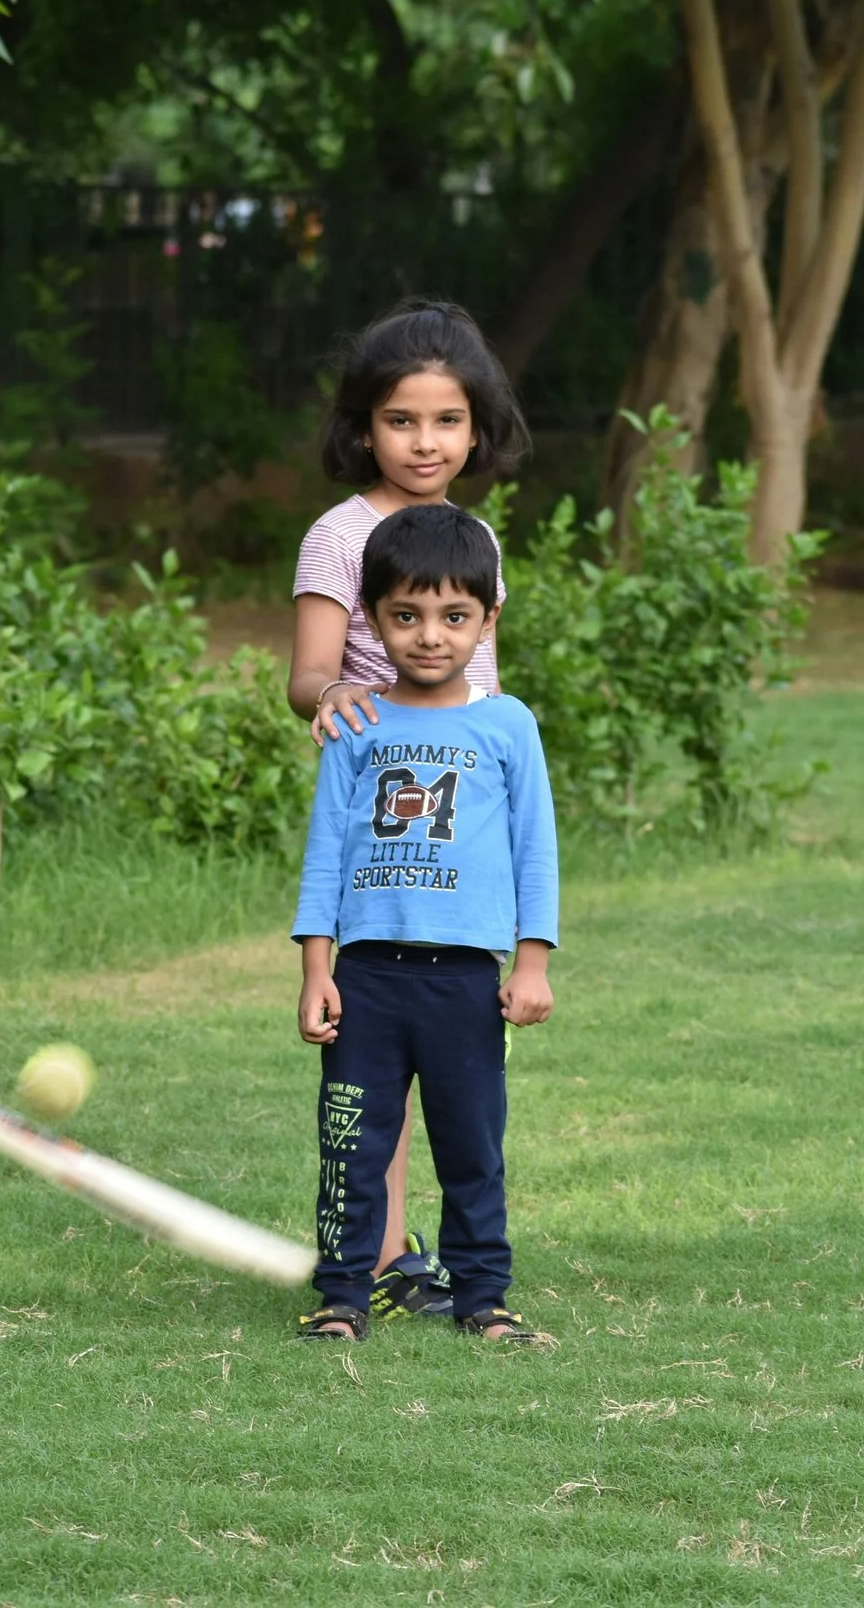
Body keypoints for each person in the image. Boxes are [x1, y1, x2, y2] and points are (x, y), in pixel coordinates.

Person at [285, 299, 532, 1323]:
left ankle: (421, 1261)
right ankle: (381, 1260)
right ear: (362, 426)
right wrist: (340, 699)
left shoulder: (468, 537)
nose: (423, 442)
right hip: (370, 808)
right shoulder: (340, 535)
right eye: (399, 420)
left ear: (477, 429)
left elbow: (489, 688)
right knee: (369, 1065)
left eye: (445, 421)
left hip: (455, 844)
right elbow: (306, 676)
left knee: (459, 1079)